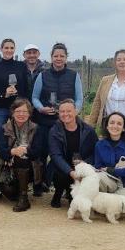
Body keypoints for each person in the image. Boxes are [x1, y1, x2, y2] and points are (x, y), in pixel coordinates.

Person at [31, 42, 83, 194]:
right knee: (41, 153)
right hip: (44, 121)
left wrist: (73, 113)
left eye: (62, 56)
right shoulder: (42, 75)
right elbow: (34, 97)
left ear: (66, 58)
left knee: (62, 154)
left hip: (65, 123)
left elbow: (79, 99)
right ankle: (38, 184)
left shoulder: (74, 76)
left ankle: (55, 183)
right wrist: (41, 108)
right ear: (51, 57)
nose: (58, 58)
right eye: (56, 56)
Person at [86, 49, 125, 140]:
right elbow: (97, 104)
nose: (122, 62)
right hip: (109, 127)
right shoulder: (105, 81)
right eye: (119, 60)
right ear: (115, 63)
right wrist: (90, 126)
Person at [48, 99, 98, 208]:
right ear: (59, 113)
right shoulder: (54, 131)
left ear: (76, 112)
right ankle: (58, 192)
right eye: (62, 111)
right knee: (59, 172)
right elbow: (55, 155)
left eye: (69, 111)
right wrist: (71, 172)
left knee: (75, 203)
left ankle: (72, 193)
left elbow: (96, 152)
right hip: (63, 167)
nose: (65, 114)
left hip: (82, 165)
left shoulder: (89, 131)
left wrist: (84, 164)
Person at [0, 98, 41, 212]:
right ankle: (18, 191)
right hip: (8, 166)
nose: (21, 114)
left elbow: (38, 152)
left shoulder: (36, 128)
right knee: (9, 192)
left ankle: (24, 198)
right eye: (18, 111)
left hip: (30, 166)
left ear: (29, 113)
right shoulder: (4, 128)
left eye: (24, 111)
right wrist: (13, 151)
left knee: (22, 158)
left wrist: (25, 151)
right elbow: (2, 152)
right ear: (12, 113)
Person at [0, 38, 29, 140]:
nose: (9, 50)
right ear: (1, 49)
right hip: (0, 108)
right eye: (6, 48)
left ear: (14, 49)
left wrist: (18, 93)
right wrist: (3, 95)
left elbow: (26, 89)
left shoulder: (21, 66)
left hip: (18, 108)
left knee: (20, 137)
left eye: (11, 48)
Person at [94, 112, 125, 196]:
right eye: (112, 123)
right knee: (96, 178)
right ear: (107, 126)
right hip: (110, 180)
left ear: (123, 128)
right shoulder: (99, 145)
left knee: (120, 203)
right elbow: (99, 167)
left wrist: (114, 170)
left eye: (119, 124)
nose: (115, 126)